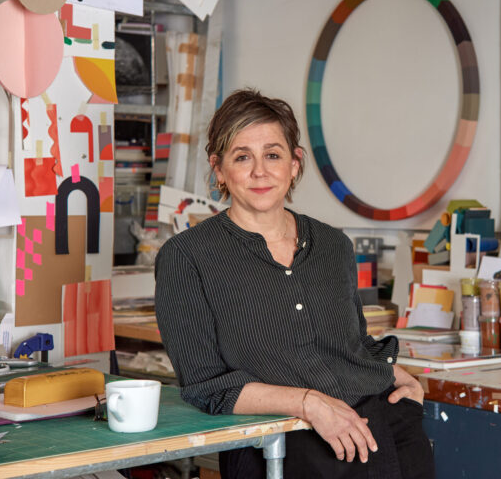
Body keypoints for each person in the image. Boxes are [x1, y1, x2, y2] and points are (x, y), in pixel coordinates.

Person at [154, 88, 435, 479]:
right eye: (242, 157)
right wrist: (308, 403)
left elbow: (352, 343)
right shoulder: (186, 257)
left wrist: (394, 374)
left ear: (295, 163)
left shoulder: (333, 245)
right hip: (281, 448)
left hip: (385, 431)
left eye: (273, 154)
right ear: (218, 169)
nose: (260, 171)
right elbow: (206, 386)